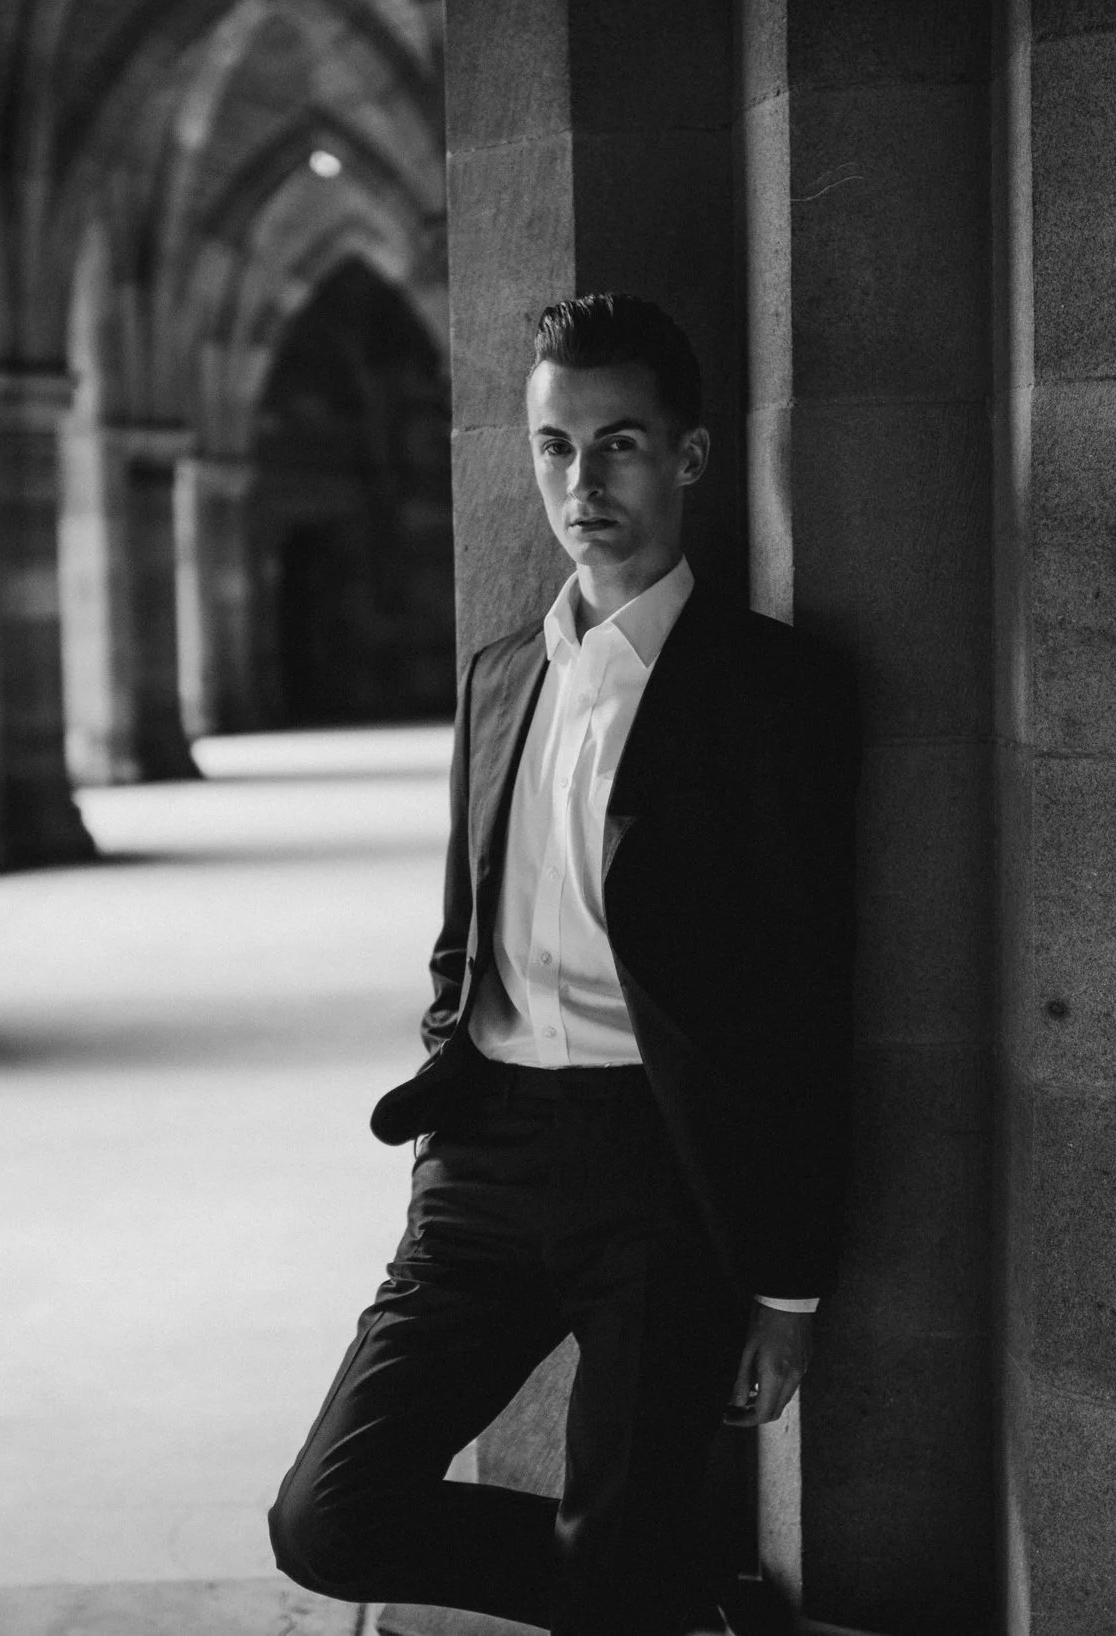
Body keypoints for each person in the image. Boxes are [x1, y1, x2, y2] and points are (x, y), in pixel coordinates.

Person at [269, 293, 858, 1636]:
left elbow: (807, 1002)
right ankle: (651, 1592)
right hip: (486, 1162)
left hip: (665, 1169)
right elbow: (461, 935)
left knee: (620, 1556)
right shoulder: (496, 679)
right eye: (554, 446)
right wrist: (445, 1130)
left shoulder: (774, 692)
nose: (581, 484)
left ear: (689, 457)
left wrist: (788, 1285)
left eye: (619, 444)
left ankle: (636, 1585)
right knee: (326, 1520)